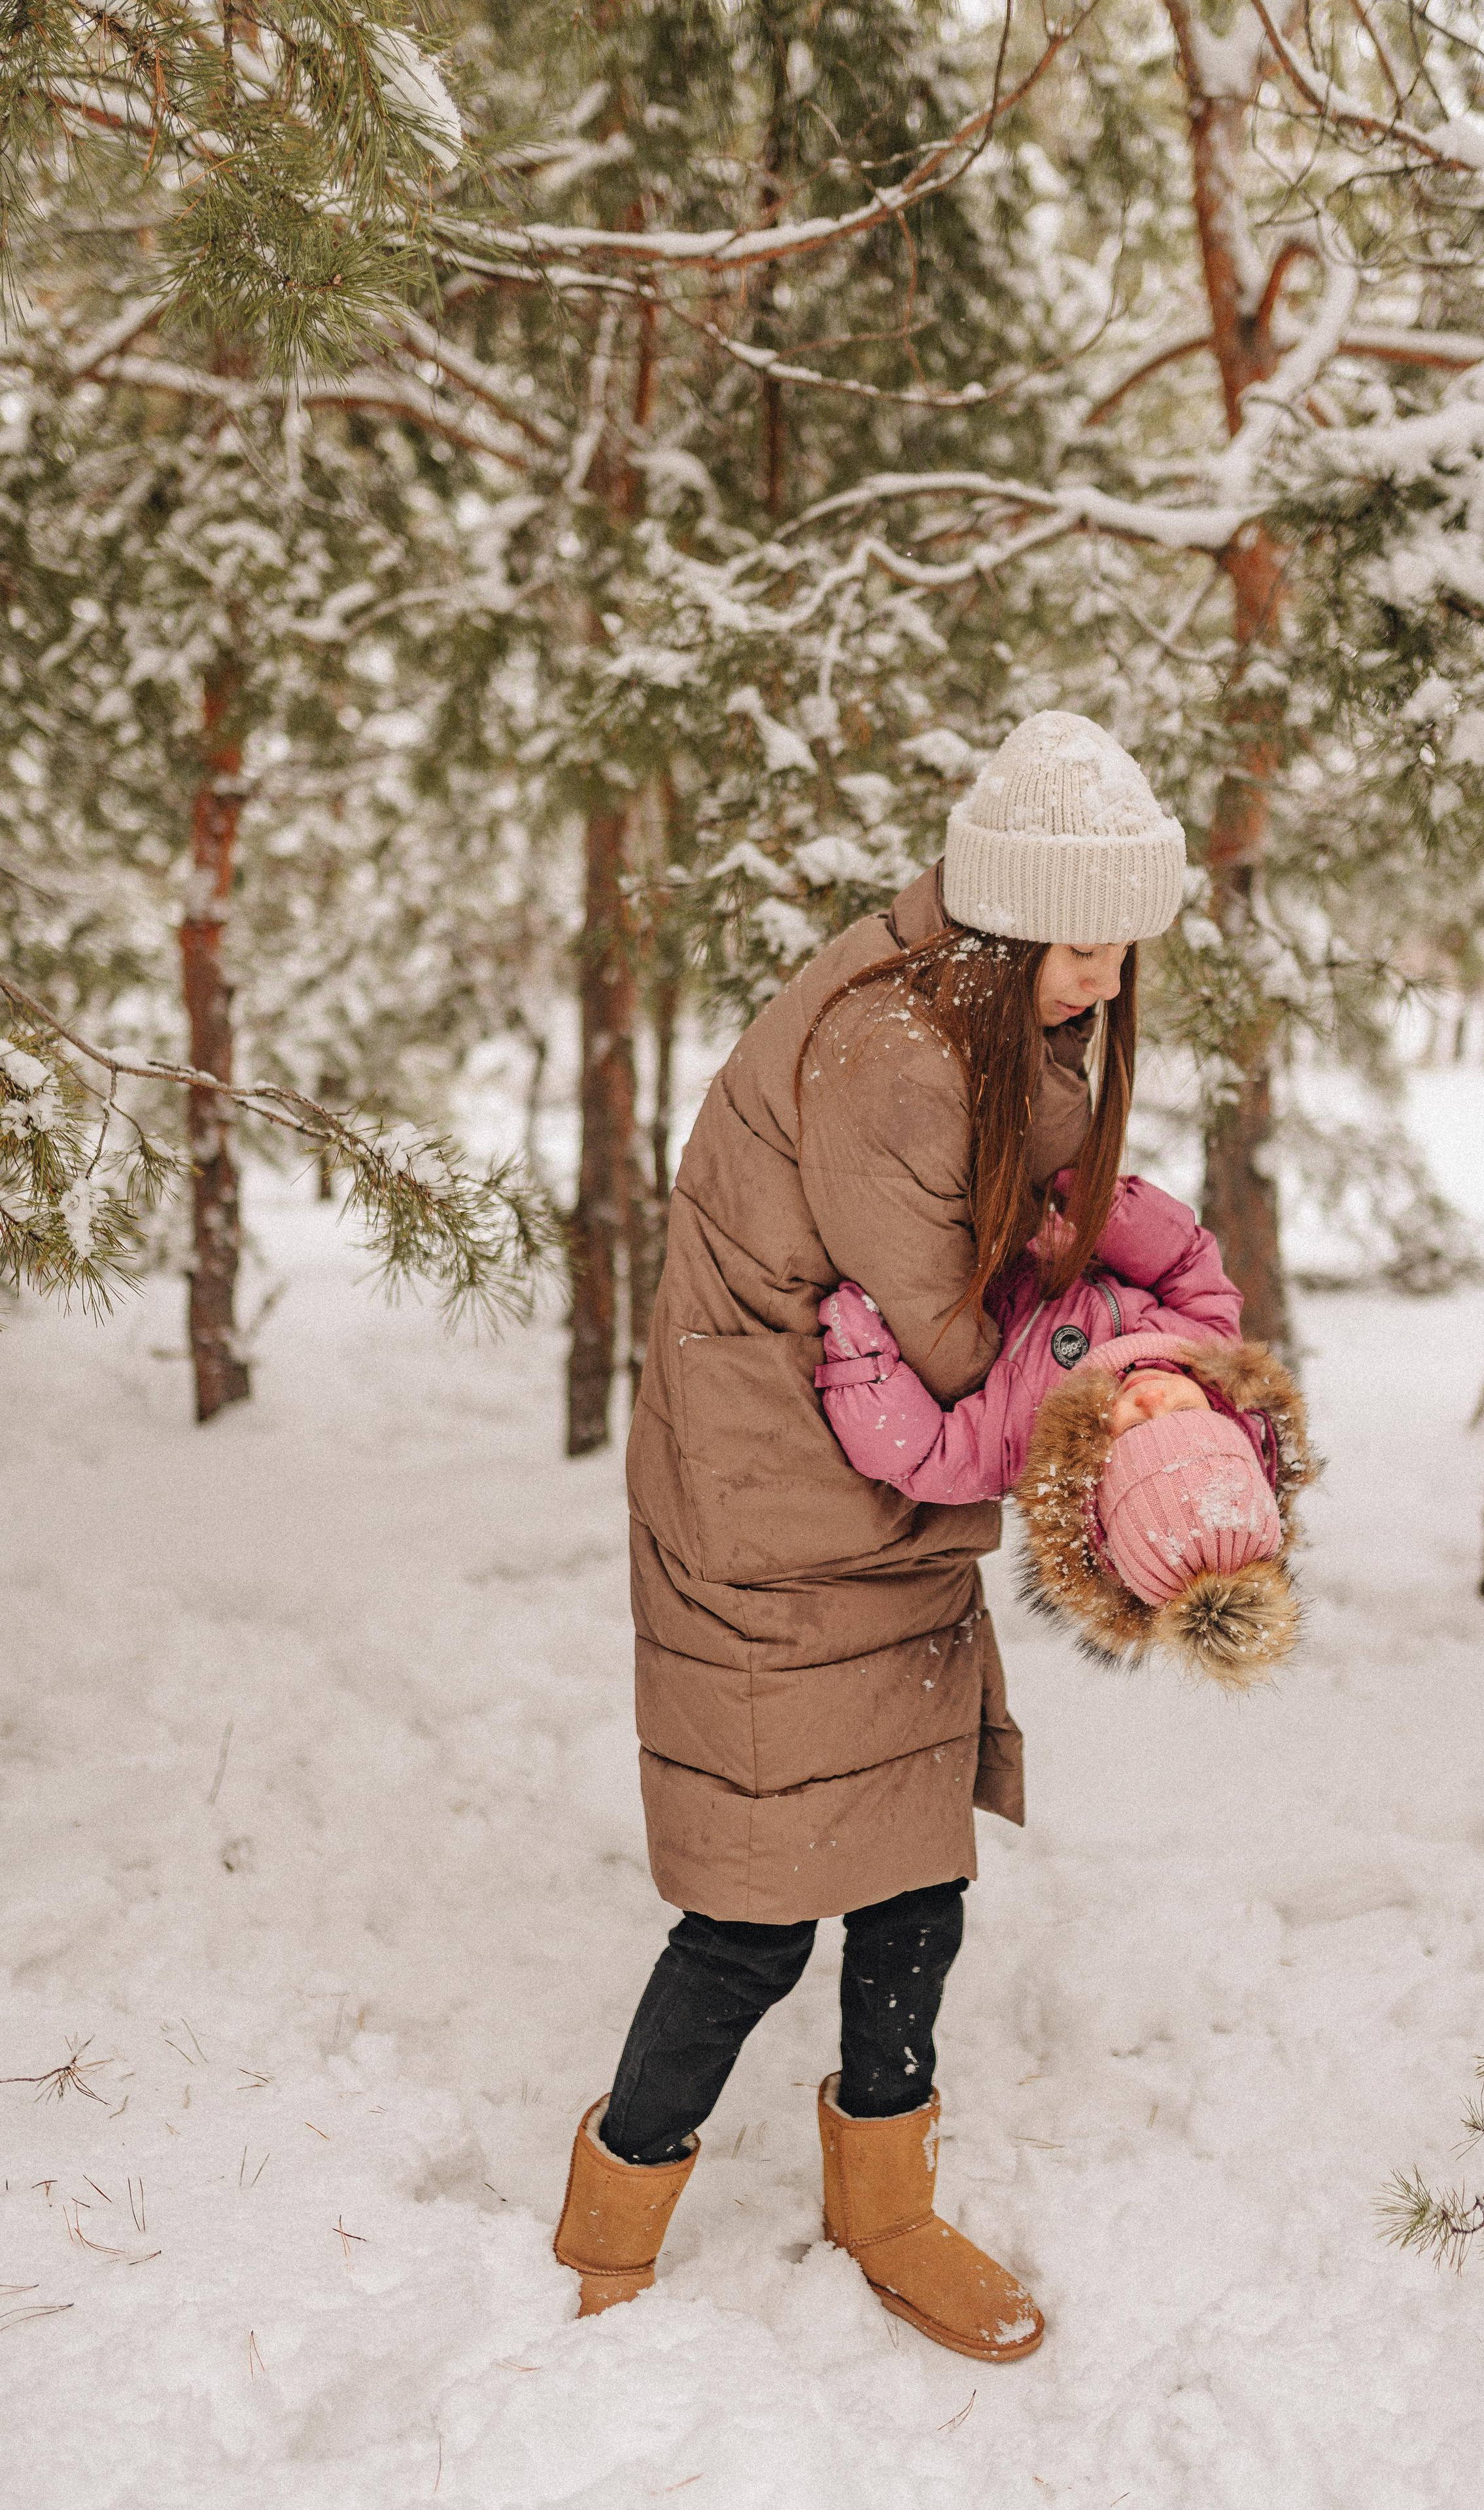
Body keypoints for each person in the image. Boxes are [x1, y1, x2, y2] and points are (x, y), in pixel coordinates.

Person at [553, 711, 1190, 2362]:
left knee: (914, 1881)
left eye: (1124, 946)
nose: (1106, 981)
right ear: (1000, 918)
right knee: (754, 1913)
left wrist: (1116, 1307)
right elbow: (955, 1342)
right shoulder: (895, 1055)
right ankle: (613, 2214)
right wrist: (1122, 1356)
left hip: (879, 1493)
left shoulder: (973, 1022)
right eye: (1084, 944)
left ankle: (884, 2205)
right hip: (777, 1509)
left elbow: (1011, 1271)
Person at [815, 1196, 1316, 1678]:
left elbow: (923, 1457)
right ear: (1222, 1413)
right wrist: (1098, 1209)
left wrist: (863, 1357)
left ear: (1097, 1481)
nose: (1152, 1399)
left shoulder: (1025, 1444)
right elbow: (1186, 1257)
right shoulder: (1207, 1342)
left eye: (1137, 1429)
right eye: (1184, 1409)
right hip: (1040, 1208)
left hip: (950, 1258)